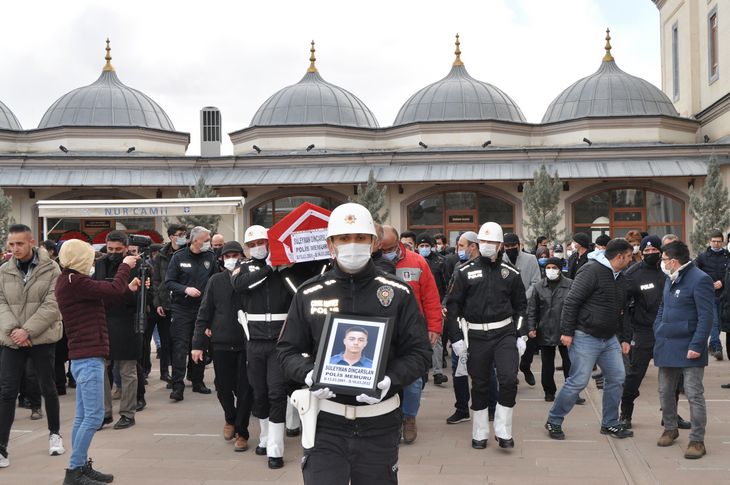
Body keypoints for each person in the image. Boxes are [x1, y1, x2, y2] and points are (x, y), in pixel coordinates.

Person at [277, 202, 431, 485]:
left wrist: (390, 379)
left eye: (360, 238)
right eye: (344, 238)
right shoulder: (309, 293)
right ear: (330, 244)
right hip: (326, 422)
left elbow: (420, 353)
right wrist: (309, 373)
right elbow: (286, 351)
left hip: (380, 422)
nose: (352, 244)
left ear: (374, 242)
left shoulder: (398, 293)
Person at [55, 238, 140, 485]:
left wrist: (127, 288)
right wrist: (125, 265)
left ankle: (80, 465)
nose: (93, 260)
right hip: (88, 356)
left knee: (83, 417)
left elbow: (105, 295)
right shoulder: (75, 280)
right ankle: (74, 471)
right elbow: (110, 290)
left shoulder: (71, 281)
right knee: (93, 417)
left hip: (84, 356)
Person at [445, 221, 527, 450]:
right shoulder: (464, 272)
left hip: (505, 334)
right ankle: (480, 433)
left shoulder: (511, 273)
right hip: (476, 335)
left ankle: (503, 431)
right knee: (480, 384)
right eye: (484, 241)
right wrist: (457, 339)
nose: (487, 245)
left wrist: (521, 335)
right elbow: (452, 309)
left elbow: (521, 307)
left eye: (492, 242)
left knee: (509, 380)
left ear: (501, 245)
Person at [544, 238, 633, 441]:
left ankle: (610, 423)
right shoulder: (591, 271)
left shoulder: (620, 277)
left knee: (617, 377)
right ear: (619, 256)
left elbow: (623, 310)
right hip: (585, 336)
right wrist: (566, 332)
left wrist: (626, 338)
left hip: (609, 338)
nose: (630, 260)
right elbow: (571, 301)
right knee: (578, 382)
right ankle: (554, 420)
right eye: (628, 256)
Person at [231, 224, 297, 469]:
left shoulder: (285, 269)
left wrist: (283, 267)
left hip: (280, 341)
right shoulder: (244, 268)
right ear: (247, 249)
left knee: (276, 392)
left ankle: (276, 449)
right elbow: (240, 286)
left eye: (262, 242)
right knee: (259, 393)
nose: (258, 247)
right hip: (255, 341)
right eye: (252, 244)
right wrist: (269, 267)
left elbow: (298, 293)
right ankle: (266, 437)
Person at [0, 224, 64, 468]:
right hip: (11, 339)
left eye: (20, 243)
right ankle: (2, 447)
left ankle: (54, 434)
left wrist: (27, 330)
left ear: (32, 242)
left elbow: (52, 303)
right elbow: (1, 303)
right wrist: (15, 331)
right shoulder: (4, 270)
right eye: (11, 244)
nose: (15, 248)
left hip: (41, 337)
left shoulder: (51, 268)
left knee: (48, 387)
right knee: (6, 392)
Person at [618, 235, 688, 428]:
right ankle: (625, 414)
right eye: (646, 251)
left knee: (673, 376)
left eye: (654, 250)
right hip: (643, 331)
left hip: (669, 331)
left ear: (661, 252)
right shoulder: (632, 274)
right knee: (634, 375)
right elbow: (623, 307)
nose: (650, 253)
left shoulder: (671, 270)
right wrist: (626, 335)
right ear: (641, 252)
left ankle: (670, 416)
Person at [381, 226, 442, 444]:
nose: (385, 252)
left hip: (412, 332)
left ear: (399, 242)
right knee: (387, 380)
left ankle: (409, 418)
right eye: (382, 248)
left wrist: (434, 327)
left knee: (414, 381)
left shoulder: (417, 262)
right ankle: (392, 419)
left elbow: (431, 298)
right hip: (383, 332)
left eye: (389, 248)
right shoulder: (373, 263)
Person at [192, 241, 253, 453]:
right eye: (228, 255)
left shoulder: (250, 280)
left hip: (246, 343)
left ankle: (242, 432)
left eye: (236, 255)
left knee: (245, 390)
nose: (232, 259)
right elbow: (204, 312)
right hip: (221, 343)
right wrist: (198, 344)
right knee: (223, 387)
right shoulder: (215, 281)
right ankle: (230, 418)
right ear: (221, 258)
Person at [654, 240, 713, 459]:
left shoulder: (700, 280)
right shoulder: (670, 277)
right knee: (665, 391)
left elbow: (706, 317)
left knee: (693, 393)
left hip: (690, 346)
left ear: (674, 261)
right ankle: (670, 428)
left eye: (664, 259)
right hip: (667, 343)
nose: (662, 263)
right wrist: (658, 328)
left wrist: (697, 345)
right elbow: (663, 306)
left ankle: (697, 440)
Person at [92, 231, 143, 431]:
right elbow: (100, 291)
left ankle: (128, 413)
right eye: (110, 249)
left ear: (125, 248)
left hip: (128, 321)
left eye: (118, 249)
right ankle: (104, 413)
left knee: (128, 370)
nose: (113, 253)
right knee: (102, 368)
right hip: (105, 319)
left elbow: (135, 297)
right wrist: (122, 289)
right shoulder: (101, 263)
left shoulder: (137, 265)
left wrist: (115, 290)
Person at [165, 226, 218, 401]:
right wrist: (185, 289)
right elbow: (169, 282)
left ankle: (198, 381)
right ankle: (177, 386)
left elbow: (216, 280)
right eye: (206, 240)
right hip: (182, 308)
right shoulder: (179, 257)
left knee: (201, 345)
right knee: (180, 347)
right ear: (195, 240)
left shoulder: (210, 257)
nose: (208, 243)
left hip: (203, 309)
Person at [527, 257, 573, 401]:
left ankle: (572, 392)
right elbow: (532, 309)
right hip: (545, 330)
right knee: (547, 364)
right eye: (548, 267)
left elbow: (575, 307)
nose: (551, 270)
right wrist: (531, 327)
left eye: (554, 267)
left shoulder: (570, 285)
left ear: (560, 269)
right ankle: (549, 391)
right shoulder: (539, 286)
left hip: (565, 330)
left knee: (570, 363)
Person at [445, 231, 479, 425]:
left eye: (461, 245)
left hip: (481, 326)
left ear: (472, 246)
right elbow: (451, 292)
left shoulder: (487, 266)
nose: (459, 249)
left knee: (484, 370)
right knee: (459, 369)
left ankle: (490, 406)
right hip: (460, 324)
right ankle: (462, 408)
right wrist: (445, 305)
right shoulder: (459, 267)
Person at [502, 233, 541, 386]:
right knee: (508, 341)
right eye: (507, 246)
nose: (510, 249)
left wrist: (522, 297)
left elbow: (536, 282)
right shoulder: (501, 260)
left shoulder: (530, 259)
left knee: (529, 339)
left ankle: (525, 366)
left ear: (519, 245)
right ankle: (512, 372)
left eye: (513, 246)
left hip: (526, 306)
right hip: (506, 307)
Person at [152, 224, 187, 385]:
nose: (183, 237)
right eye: (180, 234)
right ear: (171, 236)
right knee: (166, 341)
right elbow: (157, 280)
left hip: (184, 302)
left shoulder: (187, 252)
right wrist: (158, 302)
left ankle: (182, 373)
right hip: (165, 302)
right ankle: (165, 372)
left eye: (184, 234)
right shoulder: (161, 255)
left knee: (180, 341)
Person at [416, 233, 449, 386]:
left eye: (427, 246)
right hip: (416, 307)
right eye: (421, 246)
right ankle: (422, 371)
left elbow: (446, 285)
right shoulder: (414, 261)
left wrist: (443, 303)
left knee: (436, 339)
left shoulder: (440, 262)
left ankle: (437, 372)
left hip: (435, 304)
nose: (424, 248)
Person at [694, 230, 728, 361]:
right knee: (713, 321)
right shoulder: (703, 257)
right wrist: (709, 283)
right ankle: (716, 346)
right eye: (714, 241)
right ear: (709, 241)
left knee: (719, 322)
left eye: (719, 241)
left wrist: (722, 282)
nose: (716, 244)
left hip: (724, 295)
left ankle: (712, 344)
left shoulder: (727, 256)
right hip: (708, 294)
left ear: (722, 242)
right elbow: (696, 271)